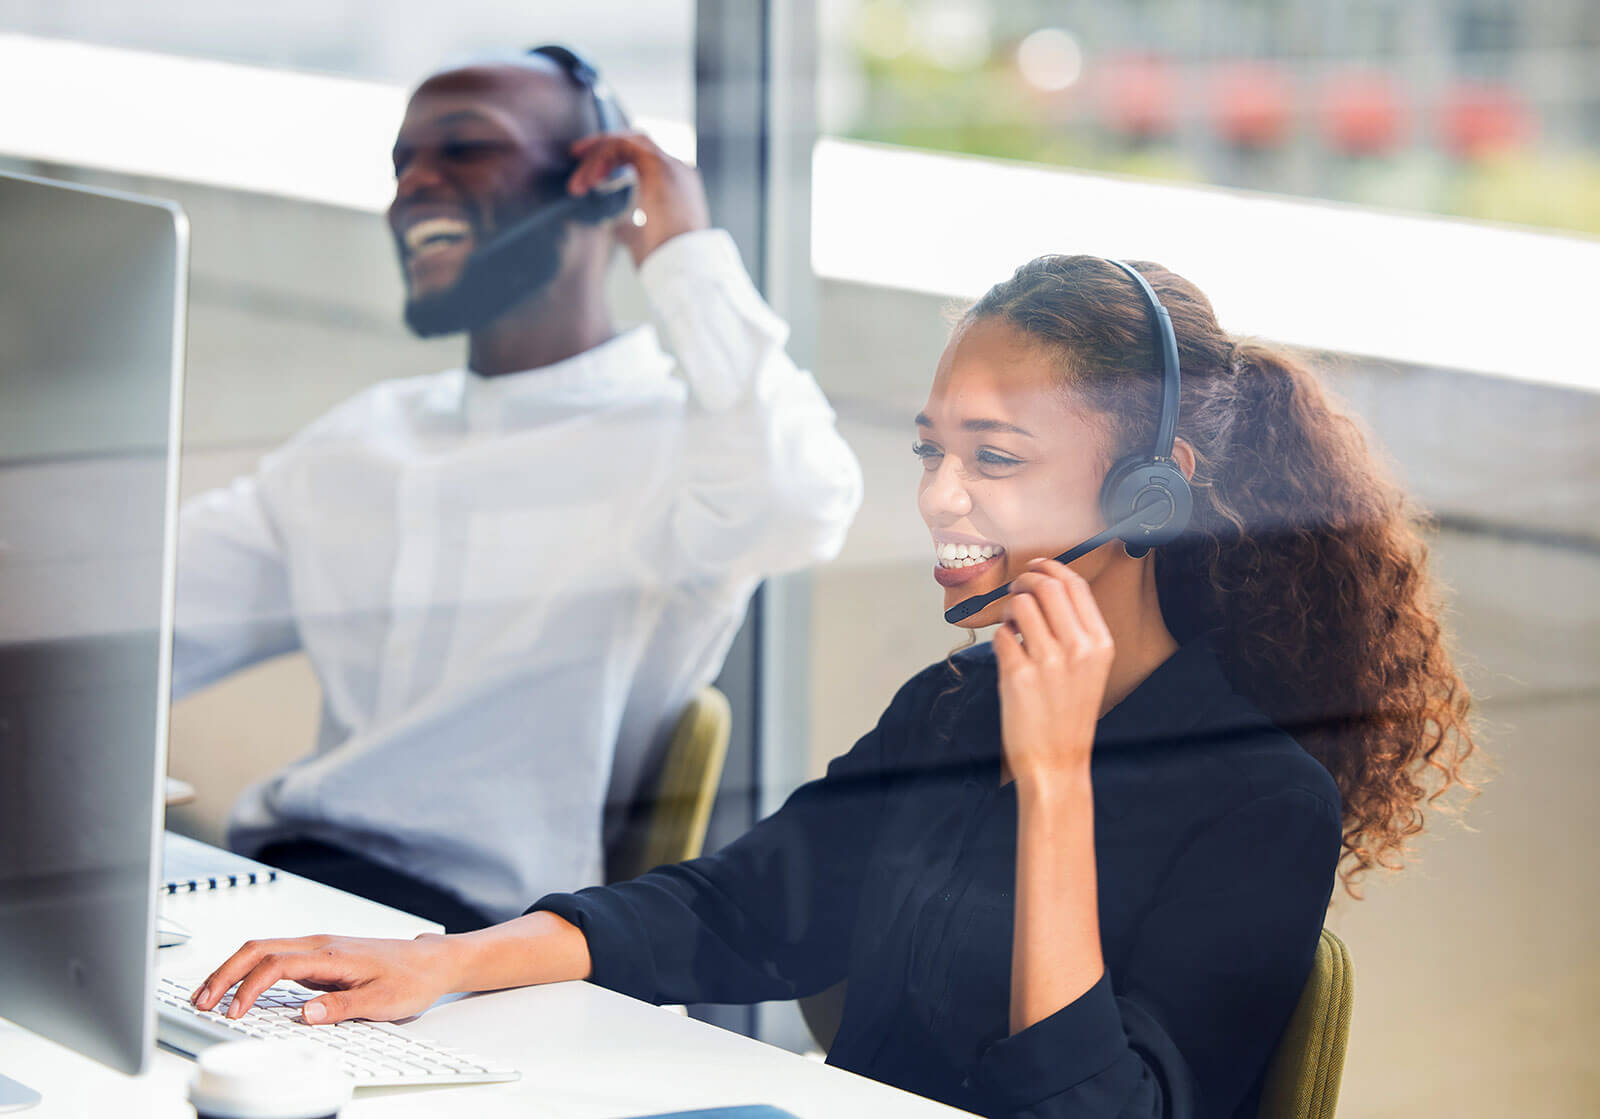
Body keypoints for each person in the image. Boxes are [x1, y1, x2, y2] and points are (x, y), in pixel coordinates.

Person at [191, 256, 1478, 1118]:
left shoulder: (1261, 800)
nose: (938, 496)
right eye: (933, 451)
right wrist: (445, 961)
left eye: (996, 457)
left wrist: (1056, 784)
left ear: (1152, 490)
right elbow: (735, 911)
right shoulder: (950, 708)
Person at [171, 48, 862, 932]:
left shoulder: (685, 442)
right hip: (277, 896)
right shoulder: (363, 439)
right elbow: (145, 613)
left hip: (483, 947)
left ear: (600, 187)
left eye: (463, 149)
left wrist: (685, 256)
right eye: (401, 164)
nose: (414, 185)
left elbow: (804, 499)